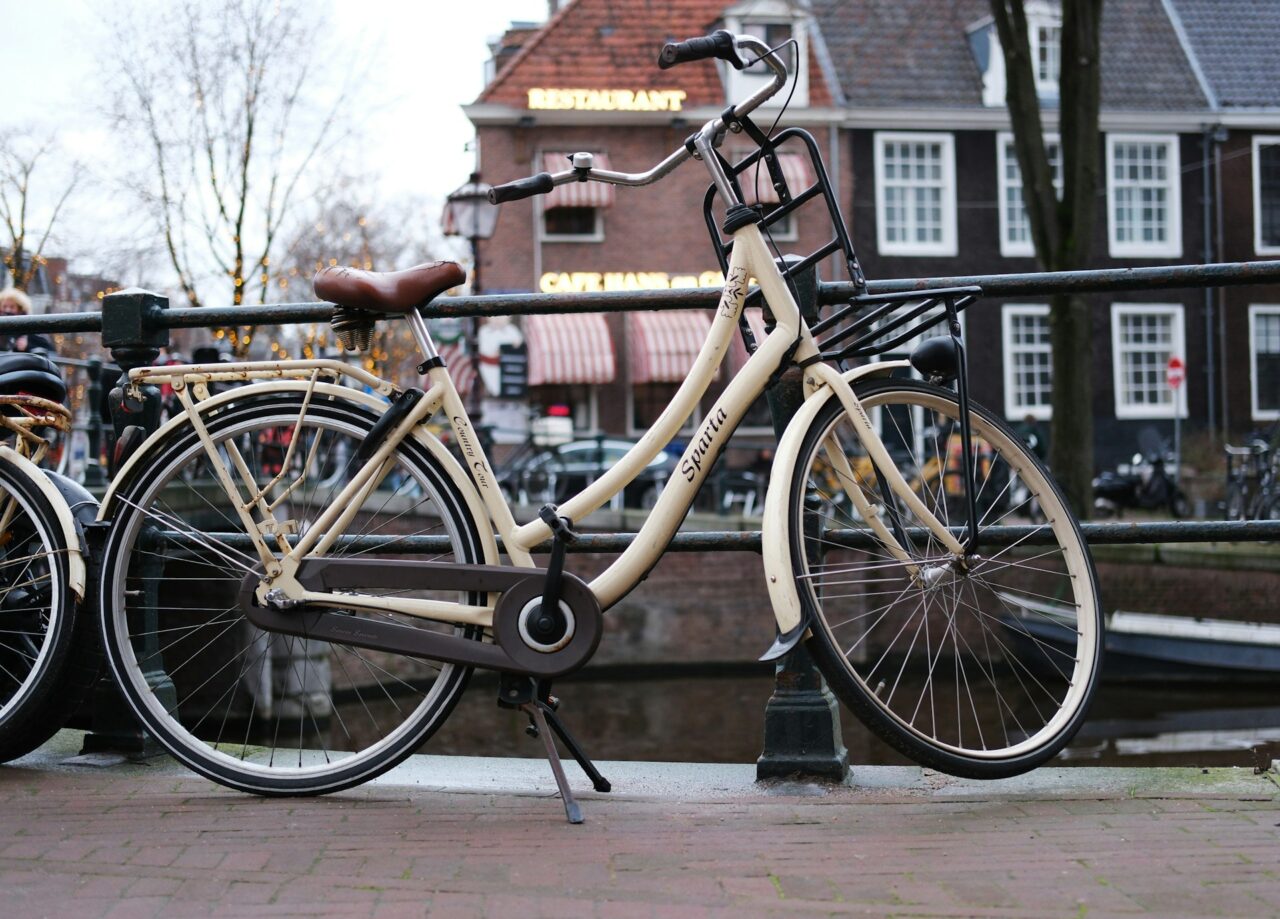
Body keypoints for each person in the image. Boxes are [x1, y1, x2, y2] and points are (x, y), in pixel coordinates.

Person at [0, 288, 56, 353]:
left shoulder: (29, 330)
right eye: (4, 306)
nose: (7, 310)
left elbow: (51, 353)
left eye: (12, 307)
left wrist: (28, 346)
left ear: (20, 309)